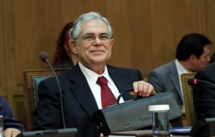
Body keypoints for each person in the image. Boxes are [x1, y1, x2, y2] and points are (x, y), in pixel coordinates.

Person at [32, 12, 155, 137]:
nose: (97, 42)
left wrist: (149, 98)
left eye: (103, 37)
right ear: (74, 46)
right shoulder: (55, 88)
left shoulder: (132, 77)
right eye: (89, 37)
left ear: (111, 44)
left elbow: (154, 125)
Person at [148, 33, 212, 106]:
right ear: (192, 58)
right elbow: (157, 107)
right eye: (205, 56)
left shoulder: (204, 73)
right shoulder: (159, 76)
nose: (208, 59)